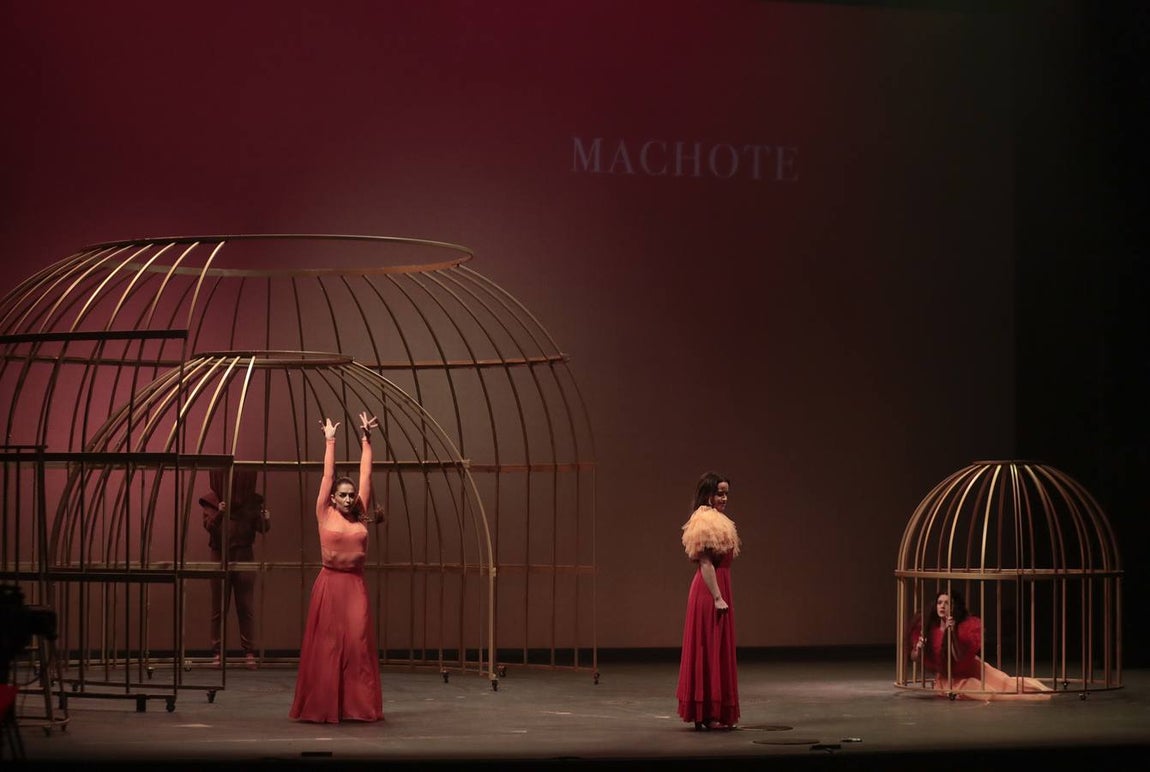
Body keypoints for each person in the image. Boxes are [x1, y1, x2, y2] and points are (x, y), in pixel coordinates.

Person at [289, 411, 384, 723]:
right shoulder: (324, 512)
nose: (347, 498)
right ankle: (326, 705)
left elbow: (366, 476)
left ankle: (356, 705)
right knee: (328, 647)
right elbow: (327, 476)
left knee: (357, 644)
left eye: (350, 494)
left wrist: (366, 440)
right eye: (342, 495)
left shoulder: (359, 511)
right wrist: (330, 441)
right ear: (332, 498)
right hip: (330, 585)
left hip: (354, 586)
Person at [675, 471, 742, 731]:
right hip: (709, 590)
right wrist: (717, 597)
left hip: (719, 585)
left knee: (717, 647)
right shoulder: (704, 520)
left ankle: (712, 713)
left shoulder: (719, 519)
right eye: (719, 493)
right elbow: (704, 561)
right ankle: (708, 713)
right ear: (708, 494)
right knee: (709, 647)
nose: (724, 498)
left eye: (726, 493)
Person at [909, 590, 1053, 701]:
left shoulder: (963, 627)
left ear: (954, 607)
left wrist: (951, 632)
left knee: (1005, 683)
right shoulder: (929, 629)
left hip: (972, 666)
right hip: (951, 677)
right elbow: (914, 657)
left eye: (947, 603)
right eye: (940, 602)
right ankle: (1030, 697)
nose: (942, 606)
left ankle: (1044, 691)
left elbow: (958, 656)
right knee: (986, 692)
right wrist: (919, 649)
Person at [200, 468, 270, 670]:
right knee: (219, 608)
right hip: (219, 556)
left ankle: (249, 652)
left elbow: (262, 528)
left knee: (245, 607)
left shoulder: (252, 502)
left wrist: (265, 519)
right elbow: (210, 527)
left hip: (244, 556)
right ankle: (217, 652)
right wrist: (221, 513)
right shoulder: (211, 501)